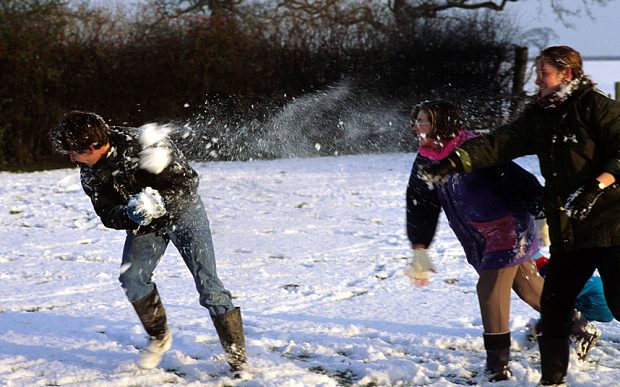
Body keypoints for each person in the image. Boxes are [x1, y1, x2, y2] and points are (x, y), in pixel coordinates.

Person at [419, 46, 620, 385]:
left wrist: (597, 186)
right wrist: (455, 162)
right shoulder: (540, 114)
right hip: (569, 226)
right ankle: (551, 381)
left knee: (617, 300)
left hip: (610, 222)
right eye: (537, 71)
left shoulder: (596, 107)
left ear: (566, 74)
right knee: (554, 310)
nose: (537, 79)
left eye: (544, 72)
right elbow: (500, 142)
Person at [50, 111, 246, 373]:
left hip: (186, 215)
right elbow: (107, 214)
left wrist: (161, 203)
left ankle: (237, 360)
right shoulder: (90, 172)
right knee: (132, 277)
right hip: (144, 226)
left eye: (76, 152)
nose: (72, 159)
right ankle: (159, 337)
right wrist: (130, 214)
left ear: (94, 145)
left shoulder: (143, 143)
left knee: (209, 285)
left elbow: (188, 182)